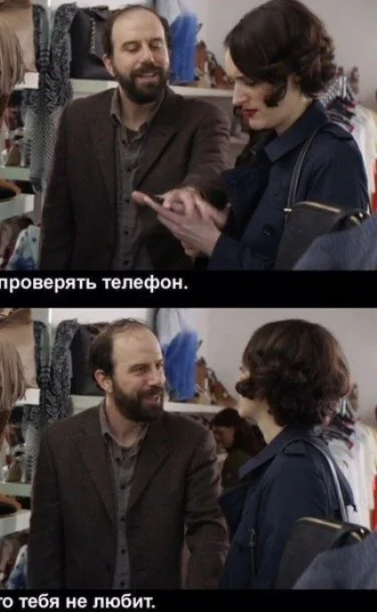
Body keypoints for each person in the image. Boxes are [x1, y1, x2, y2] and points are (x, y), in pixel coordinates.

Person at [133, 0, 369, 270]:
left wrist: (213, 243)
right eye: (234, 81)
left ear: (296, 75)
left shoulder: (334, 157)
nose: (236, 98)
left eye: (250, 82)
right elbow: (267, 242)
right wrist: (219, 224)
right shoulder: (266, 144)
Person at [27, 319, 229, 589]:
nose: (157, 380)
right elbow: (44, 546)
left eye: (159, 365)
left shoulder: (192, 441)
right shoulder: (60, 441)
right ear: (104, 380)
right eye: (140, 370)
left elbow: (209, 531)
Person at [39, 4, 231, 271]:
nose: (147, 57)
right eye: (132, 48)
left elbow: (212, 168)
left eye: (156, 45)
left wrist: (192, 192)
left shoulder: (204, 118)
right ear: (109, 63)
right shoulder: (77, 117)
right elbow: (58, 217)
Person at [218, 319, 355, 589]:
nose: (237, 379)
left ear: (269, 380)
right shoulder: (300, 459)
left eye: (243, 368)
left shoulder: (294, 470)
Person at [211, 407, 265, 489]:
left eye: (219, 432)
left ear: (233, 430)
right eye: (214, 434)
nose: (216, 438)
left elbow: (230, 492)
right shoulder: (252, 449)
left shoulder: (237, 458)